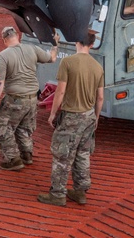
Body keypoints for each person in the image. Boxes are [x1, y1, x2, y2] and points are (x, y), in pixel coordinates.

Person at [38, 29, 104, 207]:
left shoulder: (68, 62)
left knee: (62, 156)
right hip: (89, 115)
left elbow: (60, 91)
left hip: (71, 116)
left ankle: (58, 194)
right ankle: (80, 192)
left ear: (77, 42)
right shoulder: (98, 66)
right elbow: (100, 97)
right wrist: (96, 117)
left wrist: (52, 113)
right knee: (83, 154)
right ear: (91, 44)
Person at [0, 26, 57, 170]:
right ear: (18, 36)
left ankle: (13, 159)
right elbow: (52, 59)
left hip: (15, 99)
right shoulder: (32, 48)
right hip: (33, 99)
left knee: (1, 128)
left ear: (4, 40)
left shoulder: (3, 56)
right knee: (24, 128)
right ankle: (27, 155)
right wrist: (55, 45)